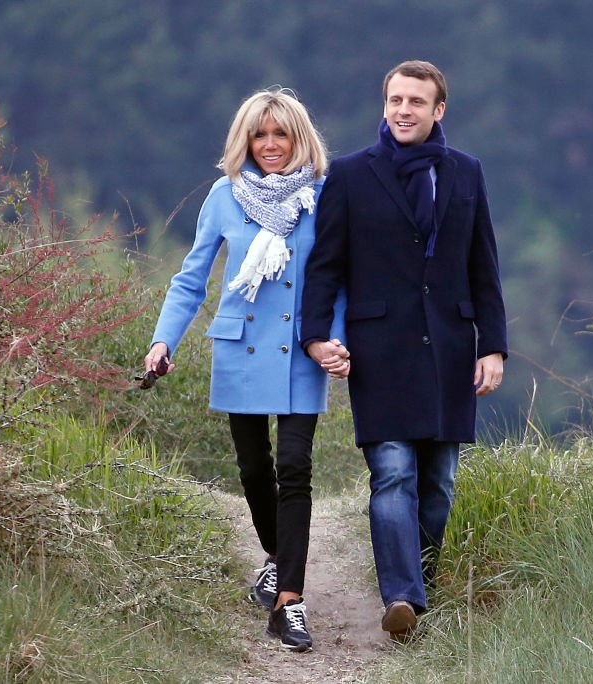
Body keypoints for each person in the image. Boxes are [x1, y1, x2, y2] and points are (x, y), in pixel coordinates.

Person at [300, 60, 507, 641]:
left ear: (438, 110)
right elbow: (325, 267)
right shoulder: (350, 175)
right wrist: (316, 337)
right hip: (380, 349)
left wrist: (493, 347)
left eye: (416, 101)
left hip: (448, 347)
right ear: (384, 105)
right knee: (392, 474)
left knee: (438, 481)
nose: (403, 110)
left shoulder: (466, 173)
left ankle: (425, 592)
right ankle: (401, 598)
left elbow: (483, 267)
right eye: (394, 100)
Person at [145, 87, 347, 652]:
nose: (270, 145)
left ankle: (290, 602)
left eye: (280, 134)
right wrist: (163, 340)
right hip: (239, 348)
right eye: (260, 135)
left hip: (300, 350)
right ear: (245, 140)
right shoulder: (223, 196)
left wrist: (338, 342)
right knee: (255, 469)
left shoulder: (325, 196)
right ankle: (278, 557)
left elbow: (341, 280)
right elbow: (192, 277)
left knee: (295, 467)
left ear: (299, 138)